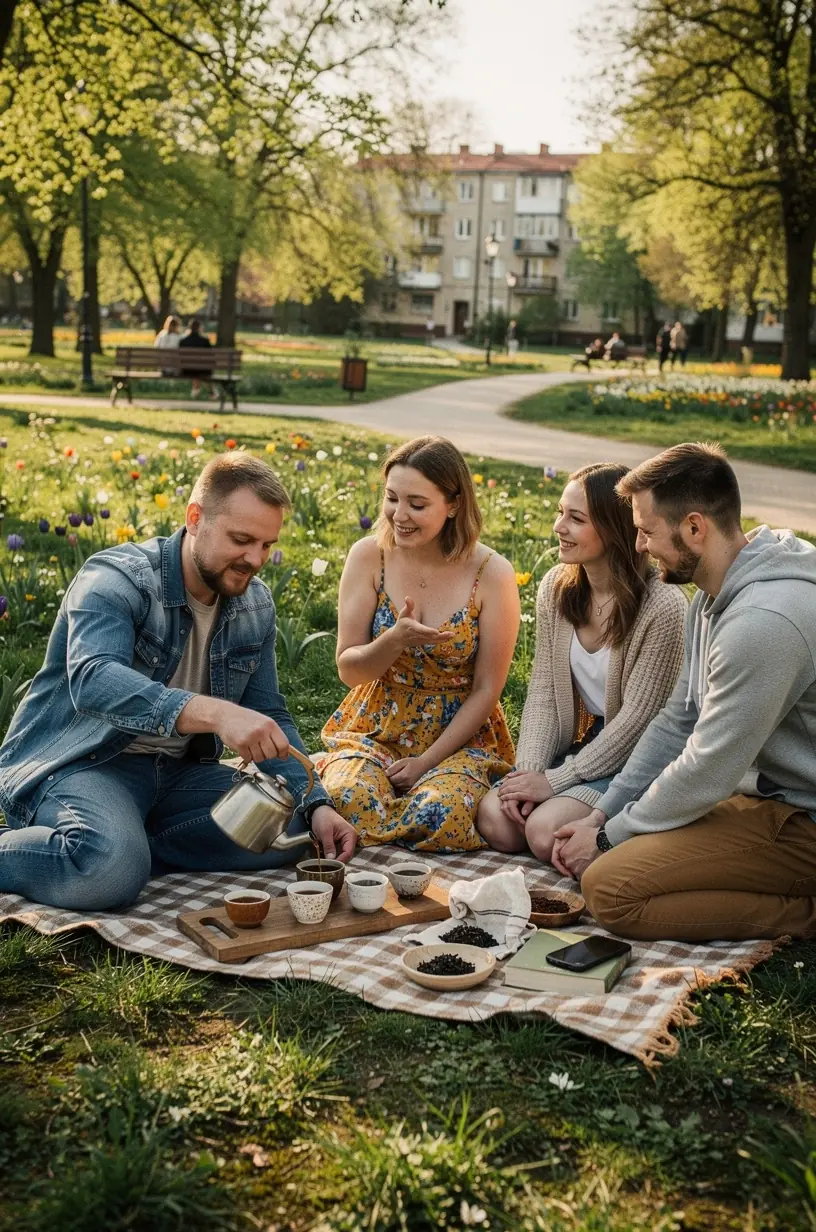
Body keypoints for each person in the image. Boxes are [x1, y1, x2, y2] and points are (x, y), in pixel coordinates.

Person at [0, 453, 356, 912]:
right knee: (109, 871)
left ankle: (121, 843)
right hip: (81, 763)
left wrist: (316, 803)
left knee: (291, 835)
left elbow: (271, 711)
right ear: (195, 519)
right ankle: (105, 849)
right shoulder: (115, 578)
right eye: (242, 540)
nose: (255, 560)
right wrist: (216, 713)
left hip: (176, 776)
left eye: (267, 545)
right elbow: (92, 678)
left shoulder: (254, 604)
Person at [552, 442, 816, 942]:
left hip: (803, 819)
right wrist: (603, 813)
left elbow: (708, 767)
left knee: (609, 890)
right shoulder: (717, 592)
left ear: (695, 527)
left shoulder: (763, 623)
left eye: (647, 531)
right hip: (766, 798)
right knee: (619, 859)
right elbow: (678, 722)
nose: (638, 546)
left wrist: (605, 840)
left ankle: (803, 915)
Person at [317, 436, 520, 851]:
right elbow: (348, 669)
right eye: (392, 498)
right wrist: (393, 641)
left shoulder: (493, 573)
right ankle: (389, 834)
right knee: (347, 798)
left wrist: (426, 764)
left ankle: (389, 834)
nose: (399, 515)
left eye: (417, 504)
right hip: (377, 726)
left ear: (454, 504)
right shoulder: (369, 556)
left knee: (444, 811)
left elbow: (487, 690)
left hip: (460, 735)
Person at [477, 464, 686, 861]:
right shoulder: (557, 587)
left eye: (575, 518)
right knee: (495, 818)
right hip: (590, 745)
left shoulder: (663, 608)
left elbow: (637, 724)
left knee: (543, 832)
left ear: (614, 528)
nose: (559, 526)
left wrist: (555, 781)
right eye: (560, 512)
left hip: (641, 760)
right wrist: (527, 775)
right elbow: (542, 694)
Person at [180, 318, 215, 397]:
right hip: (202, 370)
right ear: (199, 328)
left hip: (186, 370)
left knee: (195, 370)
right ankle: (211, 392)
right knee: (201, 369)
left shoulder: (183, 341)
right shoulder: (205, 341)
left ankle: (196, 390)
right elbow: (211, 357)